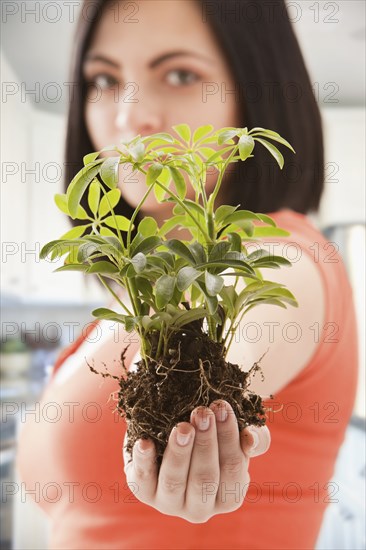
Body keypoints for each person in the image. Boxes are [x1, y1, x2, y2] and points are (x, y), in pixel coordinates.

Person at [17, 1, 358, 548]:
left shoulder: (287, 252)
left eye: (180, 74)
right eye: (104, 78)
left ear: (255, 90)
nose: (129, 117)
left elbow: (261, 313)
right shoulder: (139, 288)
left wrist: (209, 412)